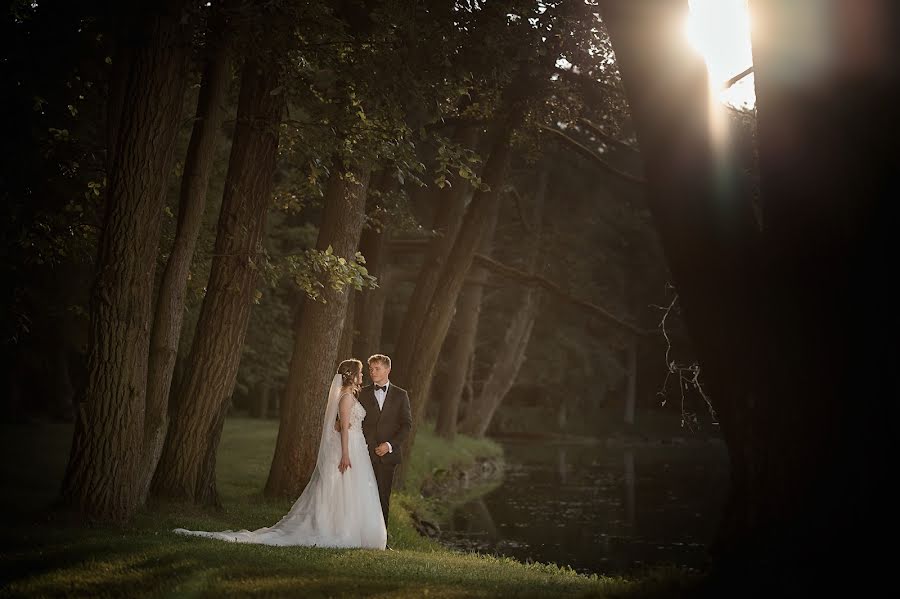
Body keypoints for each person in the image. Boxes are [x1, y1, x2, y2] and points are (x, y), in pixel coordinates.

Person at [173, 359, 386, 549]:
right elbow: (345, 430)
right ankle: (340, 528)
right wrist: (346, 454)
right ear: (351, 375)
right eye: (360, 372)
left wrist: (345, 432)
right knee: (343, 490)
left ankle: (350, 527)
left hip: (358, 447)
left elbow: (340, 425)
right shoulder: (346, 398)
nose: (362, 376)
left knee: (349, 489)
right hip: (350, 449)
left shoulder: (347, 396)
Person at [357, 354, 411, 530]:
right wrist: (370, 445)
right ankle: (361, 534)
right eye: (371, 369)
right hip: (364, 453)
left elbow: (406, 425)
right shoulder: (362, 393)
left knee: (383, 496)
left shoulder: (401, 395)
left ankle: (381, 538)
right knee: (362, 496)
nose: (372, 372)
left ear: (388, 370)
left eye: (377, 368)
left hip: (388, 456)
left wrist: (389, 445)